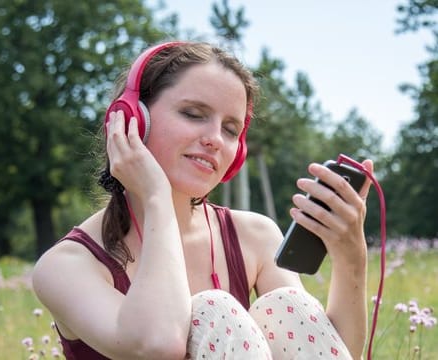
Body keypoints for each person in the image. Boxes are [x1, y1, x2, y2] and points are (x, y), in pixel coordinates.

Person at [32, 40, 373, 360]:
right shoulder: (66, 265)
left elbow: (330, 351)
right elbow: (158, 341)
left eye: (230, 129)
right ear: (133, 119)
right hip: (188, 313)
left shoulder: (254, 236)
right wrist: (156, 197)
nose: (214, 140)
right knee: (214, 310)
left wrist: (351, 257)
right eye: (194, 114)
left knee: (287, 304)